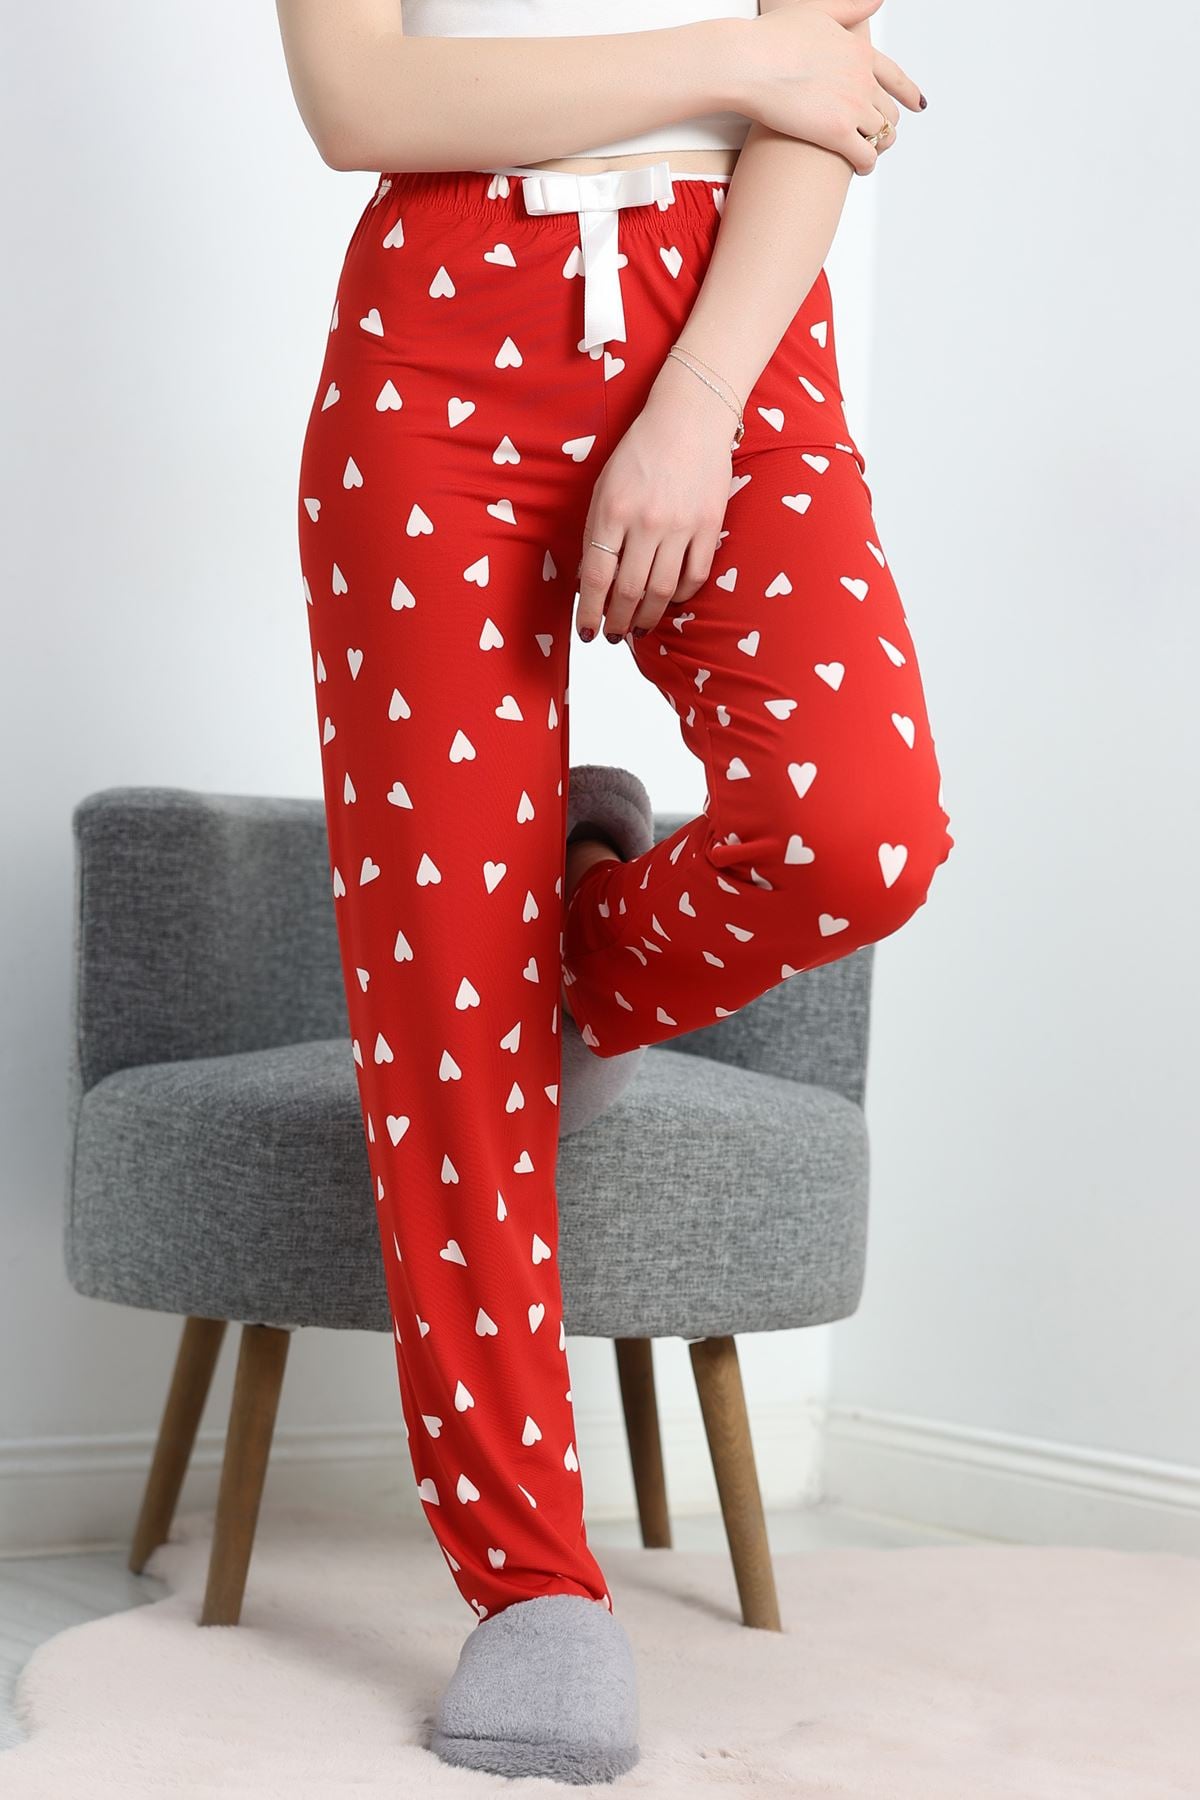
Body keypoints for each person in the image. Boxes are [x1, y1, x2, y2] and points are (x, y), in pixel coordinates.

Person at [275, 0, 950, 1780]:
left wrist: (699, 403)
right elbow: (361, 99)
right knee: (444, 1003)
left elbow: (828, 104)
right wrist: (743, 60)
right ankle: (530, 1591)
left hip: (732, 317)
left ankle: (561, 948)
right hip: (437, 348)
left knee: (859, 830)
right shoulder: (723, 66)